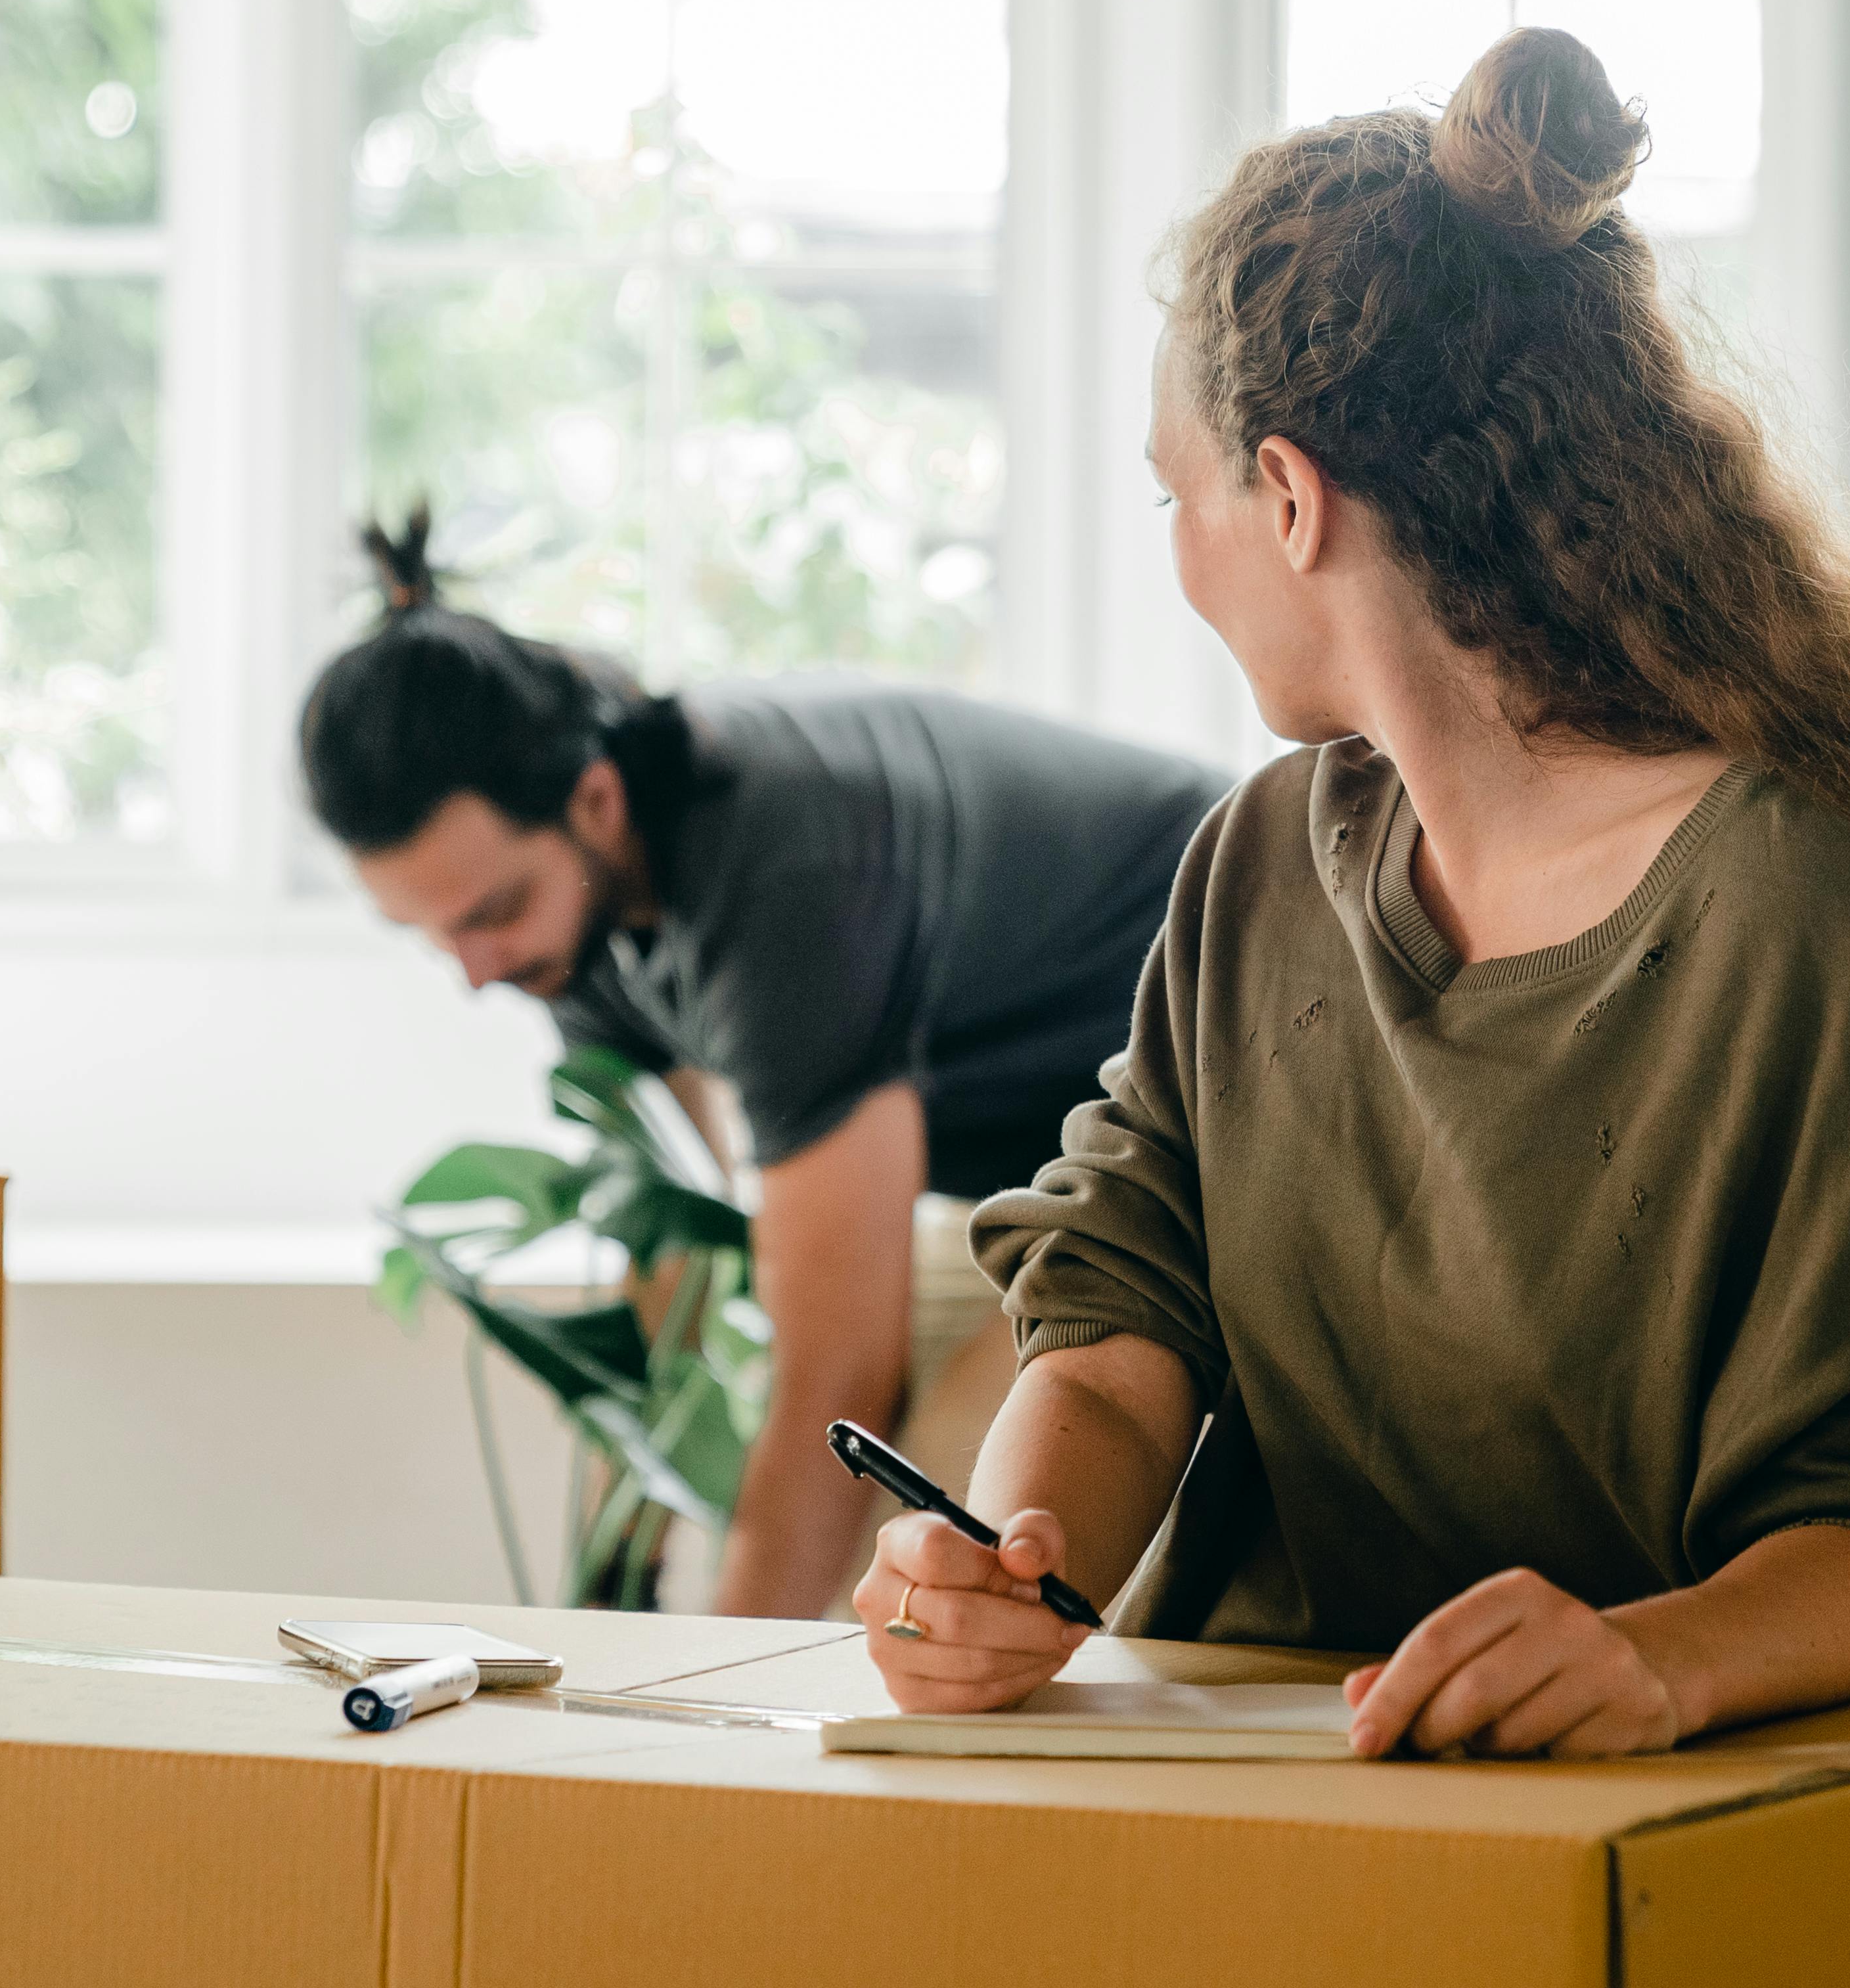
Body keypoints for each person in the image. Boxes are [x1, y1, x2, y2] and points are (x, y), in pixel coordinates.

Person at [859, 28, 1850, 1756]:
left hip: (1622, 1810)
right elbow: (1114, 1331)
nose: (1177, 550)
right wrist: (1011, 1565)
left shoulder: (1790, 899)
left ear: (1286, 496)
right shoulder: (1256, 858)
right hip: (1248, 1799)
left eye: (1173, 493)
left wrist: (1661, 1657)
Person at [300, 524, 1232, 1618]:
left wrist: (691, 1716)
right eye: (437, 936)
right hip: (1046, 1167)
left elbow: (837, 1378)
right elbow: (678, 1246)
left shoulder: (785, 876)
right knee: (848, 1525)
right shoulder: (575, 924)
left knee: (939, 1541)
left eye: (493, 915)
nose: (476, 973)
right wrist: (615, 1604)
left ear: (594, 802)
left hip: (1231, 1114)